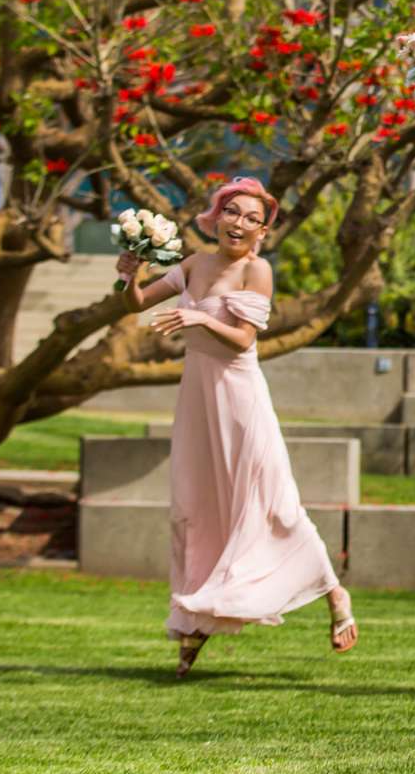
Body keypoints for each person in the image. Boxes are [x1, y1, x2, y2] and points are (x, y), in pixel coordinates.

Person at [117, 178, 357, 674]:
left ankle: (334, 592)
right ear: (216, 216)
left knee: (275, 505)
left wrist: (200, 321)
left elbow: (244, 341)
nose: (239, 223)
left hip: (241, 400)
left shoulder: (257, 270)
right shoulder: (193, 264)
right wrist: (130, 277)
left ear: (262, 232)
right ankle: (193, 623)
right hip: (197, 401)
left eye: (252, 218)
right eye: (233, 212)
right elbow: (135, 305)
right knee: (197, 506)